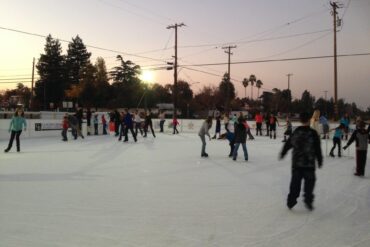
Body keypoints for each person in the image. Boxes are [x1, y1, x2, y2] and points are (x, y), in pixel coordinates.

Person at [280, 112, 323, 211]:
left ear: (300, 121)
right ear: (309, 120)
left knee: (295, 183)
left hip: (297, 164)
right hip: (309, 164)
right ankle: (308, 200)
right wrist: (319, 160)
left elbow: (288, 143)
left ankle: (291, 201)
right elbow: (317, 148)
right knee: (309, 183)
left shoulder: (296, 131)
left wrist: (283, 152)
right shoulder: (313, 133)